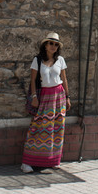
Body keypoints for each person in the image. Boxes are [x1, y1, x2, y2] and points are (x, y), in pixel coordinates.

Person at [21, 32, 71, 173]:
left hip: (59, 96)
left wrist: (68, 97)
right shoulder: (37, 60)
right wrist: (34, 97)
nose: (53, 46)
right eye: (51, 43)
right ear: (45, 45)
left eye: (56, 44)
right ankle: (27, 162)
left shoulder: (60, 60)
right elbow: (32, 80)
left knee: (57, 128)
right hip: (44, 96)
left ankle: (53, 160)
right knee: (39, 128)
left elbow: (64, 79)